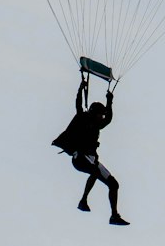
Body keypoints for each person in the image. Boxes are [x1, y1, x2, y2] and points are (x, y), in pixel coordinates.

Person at [52, 75, 128, 225]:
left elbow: (109, 119)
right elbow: (78, 105)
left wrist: (110, 100)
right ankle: (83, 201)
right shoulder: (83, 118)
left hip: (92, 159)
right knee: (94, 171)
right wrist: (81, 88)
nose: (102, 117)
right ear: (94, 113)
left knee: (114, 184)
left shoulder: (98, 124)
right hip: (79, 157)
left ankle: (114, 216)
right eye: (100, 114)